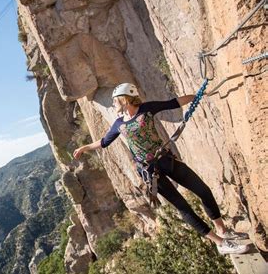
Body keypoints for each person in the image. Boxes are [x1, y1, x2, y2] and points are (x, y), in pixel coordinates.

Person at [73, 83, 249, 255]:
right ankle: (221, 243)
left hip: (166, 159)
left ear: (124, 99)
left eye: (115, 100)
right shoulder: (119, 123)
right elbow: (104, 142)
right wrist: (84, 147)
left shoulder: (146, 109)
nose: (113, 104)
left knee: (203, 190)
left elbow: (174, 103)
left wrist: (199, 94)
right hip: (150, 172)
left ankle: (223, 230)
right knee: (184, 207)